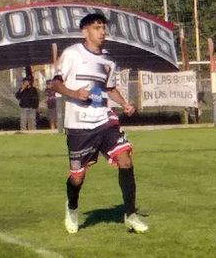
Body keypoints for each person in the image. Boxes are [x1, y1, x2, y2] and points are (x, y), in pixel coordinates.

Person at [48, 12, 147, 234]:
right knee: (77, 177)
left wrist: (125, 104)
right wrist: (74, 93)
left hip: (104, 119)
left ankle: (130, 214)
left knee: (125, 159)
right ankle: (72, 208)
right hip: (79, 126)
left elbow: (109, 88)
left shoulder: (109, 60)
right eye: (96, 28)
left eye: (103, 27)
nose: (102, 32)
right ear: (85, 31)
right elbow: (54, 84)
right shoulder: (72, 54)